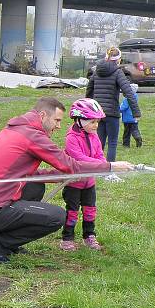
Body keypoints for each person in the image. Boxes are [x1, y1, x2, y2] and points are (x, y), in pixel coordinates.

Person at [0, 96, 134, 264]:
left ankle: (10, 241)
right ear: (42, 116)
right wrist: (110, 166)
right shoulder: (32, 136)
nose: (58, 125)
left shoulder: (15, 129)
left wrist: (57, 176)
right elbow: (72, 165)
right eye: (56, 120)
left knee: (36, 187)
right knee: (57, 216)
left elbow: (25, 174)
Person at [86, 46, 141, 182]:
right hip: (112, 113)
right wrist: (136, 112)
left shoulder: (96, 71)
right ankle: (109, 173)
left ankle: (95, 170)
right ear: (119, 59)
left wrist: (88, 108)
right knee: (112, 143)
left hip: (97, 114)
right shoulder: (118, 72)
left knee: (98, 143)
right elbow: (129, 92)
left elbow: (89, 90)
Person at [61, 98, 107, 252]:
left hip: (89, 183)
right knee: (72, 212)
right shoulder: (71, 139)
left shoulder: (94, 136)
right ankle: (67, 238)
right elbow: (80, 159)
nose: (96, 125)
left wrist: (103, 164)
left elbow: (100, 155)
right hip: (73, 184)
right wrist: (100, 165)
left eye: (97, 122)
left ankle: (89, 235)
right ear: (79, 120)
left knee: (90, 210)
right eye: (92, 122)